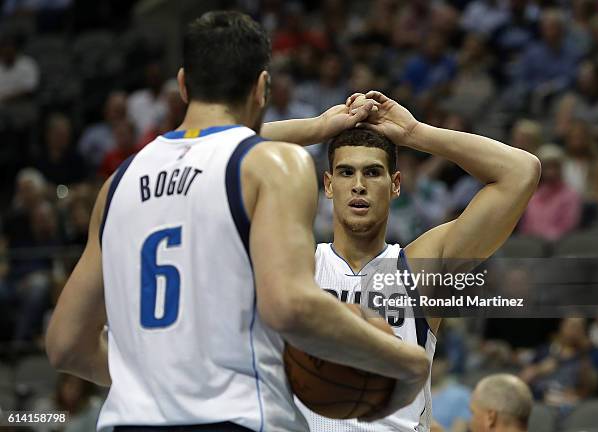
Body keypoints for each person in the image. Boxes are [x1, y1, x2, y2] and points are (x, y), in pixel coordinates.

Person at [45, 11, 430, 431]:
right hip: (235, 417)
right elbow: (290, 306)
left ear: (182, 84)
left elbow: (65, 345)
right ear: (262, 87)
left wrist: (156, 376)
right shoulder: (273, 165)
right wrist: (400, 360)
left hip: (127, 421)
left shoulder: (118, 183)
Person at [260, 89, 540, 430]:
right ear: (329, 185)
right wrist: (316, 128)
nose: (359, 185)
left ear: (395, 185)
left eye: (373, 173)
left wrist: (416, 134)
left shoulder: (420, 268)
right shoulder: (295, 265)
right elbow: (223, 153)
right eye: (346, 173)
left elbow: (521, 171)